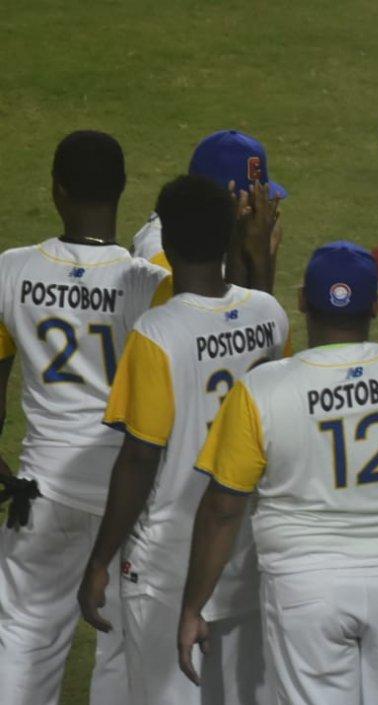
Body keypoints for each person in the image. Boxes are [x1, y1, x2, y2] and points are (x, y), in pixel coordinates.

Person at [177, 242, 378, 704]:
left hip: (304, 586)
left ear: (301, 300)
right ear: (375, 306)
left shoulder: (262, 389)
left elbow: (221, 509)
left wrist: (193, 605)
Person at [76, 174, 287, 705]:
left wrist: (100, 559)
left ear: (165, 242)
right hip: (244, 549)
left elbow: (140, 457)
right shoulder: (269, 315)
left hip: (169, 556)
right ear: (226, 238)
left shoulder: (157, 332)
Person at [0, 130, 171, 705]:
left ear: (56, 190)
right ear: (122, 189)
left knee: (24, 638)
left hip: (41, 491)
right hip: (130, 495)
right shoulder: (147, 285)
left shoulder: (10, 272)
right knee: (123, 648)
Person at [132, 129, 285, 290]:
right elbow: (232, 314)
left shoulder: (202, 234)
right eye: (253, 205)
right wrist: (262, 263)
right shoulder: (169, 258)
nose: (261, 216)